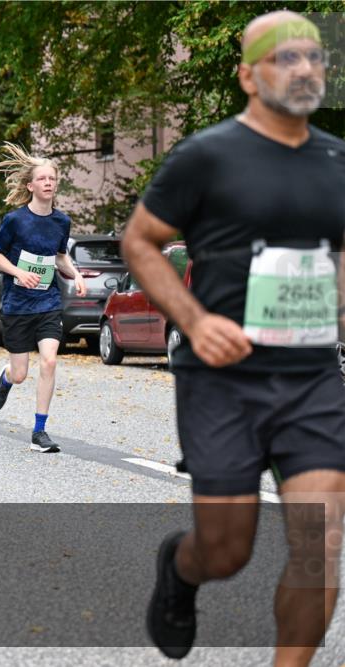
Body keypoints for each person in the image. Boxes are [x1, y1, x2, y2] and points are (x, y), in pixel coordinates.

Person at [122, 11, 345, 662]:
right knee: (226, 548)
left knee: (322, 538)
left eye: (314, 57)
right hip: (221, 379)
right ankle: (181, 568)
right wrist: (193, 320)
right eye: (285, 58)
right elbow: (140, 241)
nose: (304, 69)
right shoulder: (205, 157)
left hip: (310, 378)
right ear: (248, 75)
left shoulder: (338, 162)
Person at [0, 144, 86, 454]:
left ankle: (39, 432)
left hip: (47, 303)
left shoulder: (61, 222)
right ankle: (5, 379)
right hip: (17, 305)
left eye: (52, 179)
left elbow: (59, 258)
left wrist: (76, 274)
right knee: (20, 374)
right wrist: (18, 272)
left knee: (50, 361)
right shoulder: (15, 220)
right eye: (42, 179)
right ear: (30, 185)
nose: (48, 183)